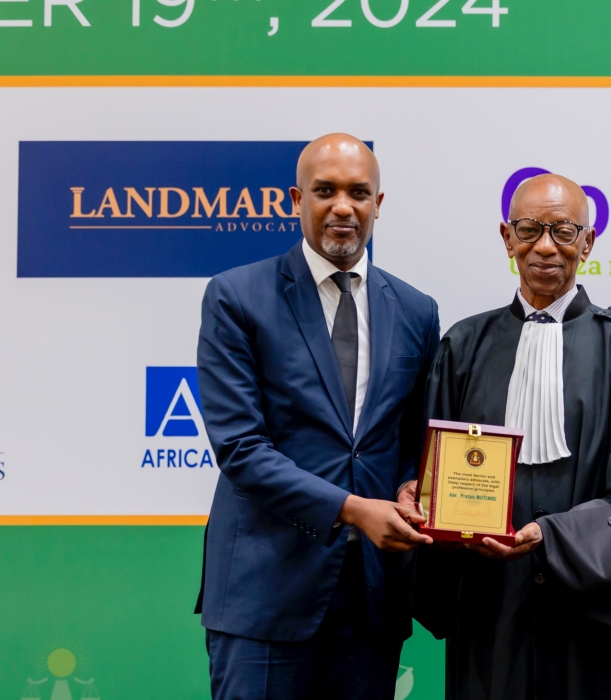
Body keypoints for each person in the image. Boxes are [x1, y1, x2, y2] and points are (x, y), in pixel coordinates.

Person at [410, 173, 611, 700]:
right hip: (491, 617)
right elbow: (435, 482)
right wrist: (427, 502)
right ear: (506, 237)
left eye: (563, 231)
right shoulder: (463, 348)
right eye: (529, 229)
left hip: (595, 622)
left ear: (588, 243)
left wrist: (549, 538)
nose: (545, 246)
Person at [195, 133, 439, 700]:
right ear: (294, 200)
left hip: (371, 602)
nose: (342, 207)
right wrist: (352, 510)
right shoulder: (237, 296)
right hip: (264, 595)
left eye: (359, 192)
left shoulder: (416, 310)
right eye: (324, 191)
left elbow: (411, 441)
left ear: (379, 203)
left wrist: (409, 485)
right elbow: (240, 450)